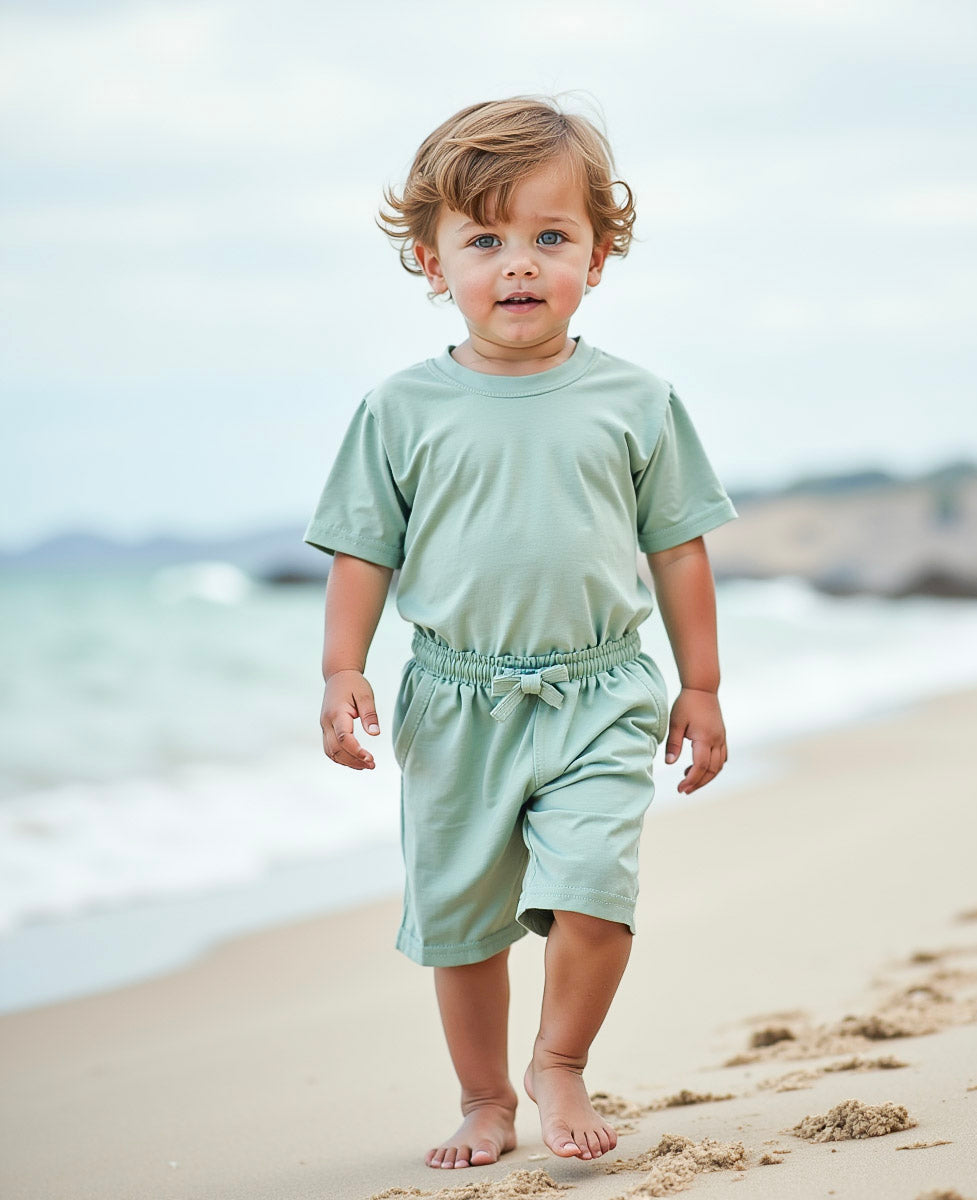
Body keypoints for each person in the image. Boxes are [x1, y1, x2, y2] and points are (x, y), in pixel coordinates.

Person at [304, 95, 738, 1172]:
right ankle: (484, 1096)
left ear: (600, 249)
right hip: (453, 698)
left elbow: (678, 547)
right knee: (463, 917)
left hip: (601, 690)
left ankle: (560, 1060)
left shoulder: (636, 400)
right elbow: (367, 551)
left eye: (552, 236)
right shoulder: (400, 409)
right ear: (430, 256)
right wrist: (341, 668)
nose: (520, 265)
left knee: (593, 883)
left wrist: (704, 685)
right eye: (485, 240)